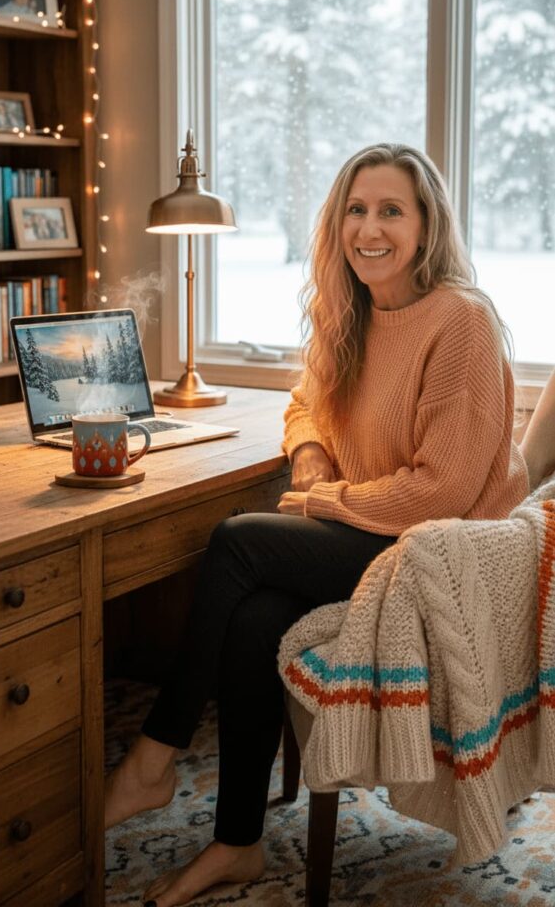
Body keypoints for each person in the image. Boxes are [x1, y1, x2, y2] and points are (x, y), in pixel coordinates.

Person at [104, 143, 528, 907]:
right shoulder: (354, 315)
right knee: (254, 619)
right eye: (355, 211)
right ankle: (236, 844)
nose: (369, 228)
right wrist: (308, 462)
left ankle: (150, 758)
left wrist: (321, 502)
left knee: (237, 541)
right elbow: (306, 402)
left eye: (391, 210)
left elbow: (441, 492)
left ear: (427, 225)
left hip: (438, 559)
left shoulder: (458, 322)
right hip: (380, 536)